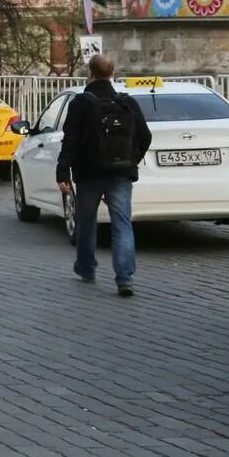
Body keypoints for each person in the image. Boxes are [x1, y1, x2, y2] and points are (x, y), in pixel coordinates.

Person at [56, 54, 152, 296]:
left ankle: (87, 268)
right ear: (113, 73)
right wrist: (130, 161)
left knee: (87, 221)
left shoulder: (81, 103)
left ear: (90, 72)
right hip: (121, 172)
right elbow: (145, 136)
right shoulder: (127, 102)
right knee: (122, 223)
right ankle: (124, 278)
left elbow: (71, 140)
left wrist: (63, 170)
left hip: (88, 173)